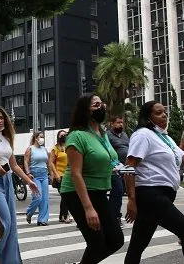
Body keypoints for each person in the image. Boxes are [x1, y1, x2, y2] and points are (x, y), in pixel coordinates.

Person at [60, 94, 124, 264]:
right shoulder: (77, 136)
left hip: (99, 191)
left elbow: (110, 158)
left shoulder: (102, 133)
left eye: (102, 103)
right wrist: (88, 208)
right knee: (96, 242)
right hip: (77, 193)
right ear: (85, 110)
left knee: (116, 240)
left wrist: (125, 169)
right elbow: (75, 173)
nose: (101, 107)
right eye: (96, 105)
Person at [124, 101, 184, 263]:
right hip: (151, 195)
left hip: (163, 196)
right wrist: (131, 199)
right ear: (147, 117)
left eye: (165, 112)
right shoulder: (143, 134)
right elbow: (129, 168)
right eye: (158, 113)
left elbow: (179, 157)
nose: (164, 115)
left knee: (137, 245)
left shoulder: (165, 137)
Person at [0, 106, 39, 264]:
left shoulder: (7, 140)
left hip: (7, 182)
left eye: (1, 118)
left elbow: (14, 166)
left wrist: (29, 181)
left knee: (7, 223)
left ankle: (6, 259)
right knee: (5, 222)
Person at [24, 131, 51, 226]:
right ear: (36, 138)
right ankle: (29, 213)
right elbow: (26, 162)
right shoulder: (30, 149)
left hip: (44, 175)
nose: (42, 139)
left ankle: (42, 220)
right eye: (40, 137)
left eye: (43, 137)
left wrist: (50, 173)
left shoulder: (44, 149)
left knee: (44, 199)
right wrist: (28, 173)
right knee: (38, 197)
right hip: (34, 175)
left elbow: (48, 163)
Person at [107, 115, 130, 226]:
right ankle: (114, 216)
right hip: (114, 168)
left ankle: (113, 215)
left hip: (125, 168)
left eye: (122, 122)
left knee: (121, 193)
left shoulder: (125, 135)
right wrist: (113, 166)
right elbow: (107, 152)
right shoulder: (108, 135)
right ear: (112, 124)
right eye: (118, 122)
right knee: (117, 191)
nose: (121, 124)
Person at [50, 130, 72, 224]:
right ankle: (66, 215)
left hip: (69, 174)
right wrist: (55, 174)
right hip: (59, 174)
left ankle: (61, 216)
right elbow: (51, 162)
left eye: (65, 134)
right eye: (61, 135)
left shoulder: (69, 146)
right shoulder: (55, 148)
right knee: (65, 196)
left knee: (65, 196)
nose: (64, 136)